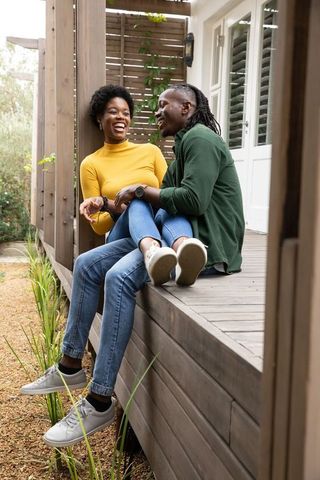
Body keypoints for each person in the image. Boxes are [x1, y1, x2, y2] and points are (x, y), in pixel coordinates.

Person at [21, 83, 244, 448]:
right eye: (153, 106)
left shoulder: (197, 140)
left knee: (119, 275)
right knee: (87, 262)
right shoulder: (181, 145)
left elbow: (191, 200)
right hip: (162, 231)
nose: (154, 112)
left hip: (205, 244)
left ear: (186, 107)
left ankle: (99, 399)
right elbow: (159, 200)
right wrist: (120, 201)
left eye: (163, 104)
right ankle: (70, 365)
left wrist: (139, 191)